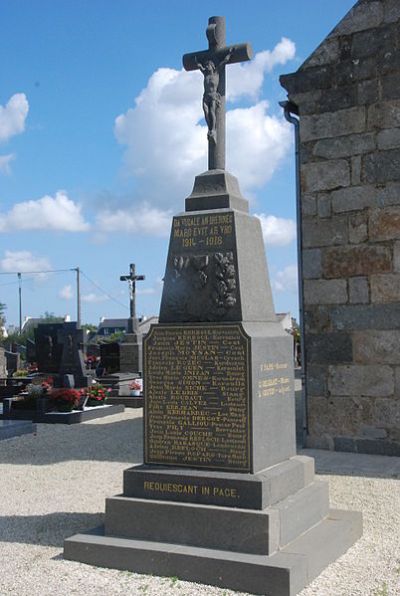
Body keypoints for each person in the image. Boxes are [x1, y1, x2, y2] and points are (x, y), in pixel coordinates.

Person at [196, 47, 235, 143]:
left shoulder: (216, 72)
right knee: (206, 113)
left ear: (212, 66)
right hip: (205, 96)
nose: (206, 67)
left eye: (208, 65)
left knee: (212, 112)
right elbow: (199, 66)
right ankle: (210, 128)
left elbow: (224, 61)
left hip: (213, 96)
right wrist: (196, 61)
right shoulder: (206, 74)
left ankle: (213, 129)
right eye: (206, 65)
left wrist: (229, 53)